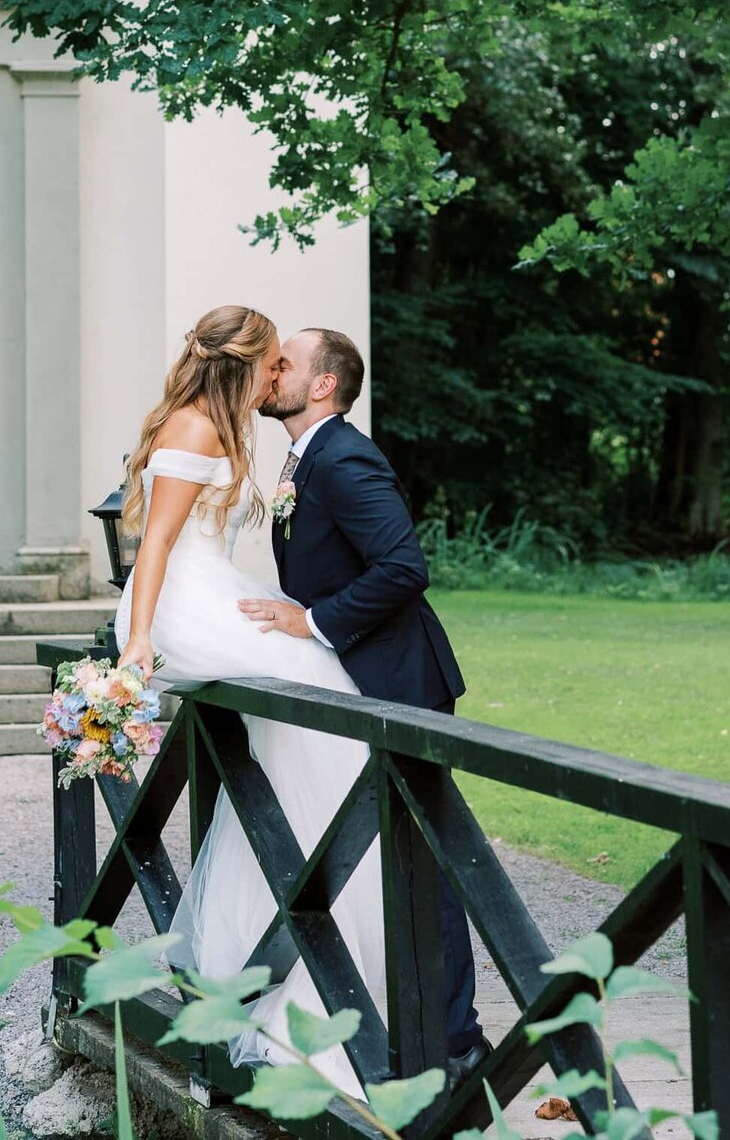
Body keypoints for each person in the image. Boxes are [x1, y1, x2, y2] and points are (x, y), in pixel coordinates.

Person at [114, 304, 386, 1093]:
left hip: (211, 591)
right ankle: (307, 979)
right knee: (320, 696)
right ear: (245, 364)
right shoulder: (195, 427)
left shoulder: (225, 429)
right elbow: (156, 542)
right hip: (179, 605)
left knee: (311, 729)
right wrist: (139, 641)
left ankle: (292, 963)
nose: (278, 375)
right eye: (272, 362)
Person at [238, 327, 489, 1084]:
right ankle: (401, 1014)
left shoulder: (344, 457)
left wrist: (312, 622)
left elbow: (403, 567)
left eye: (285, 363)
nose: (272, 371)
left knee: (424, 855)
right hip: (357, 682)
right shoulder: (306, 457)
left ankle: (457, 1039)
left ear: (323, 385)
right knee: (371, 852)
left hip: (398, 681)